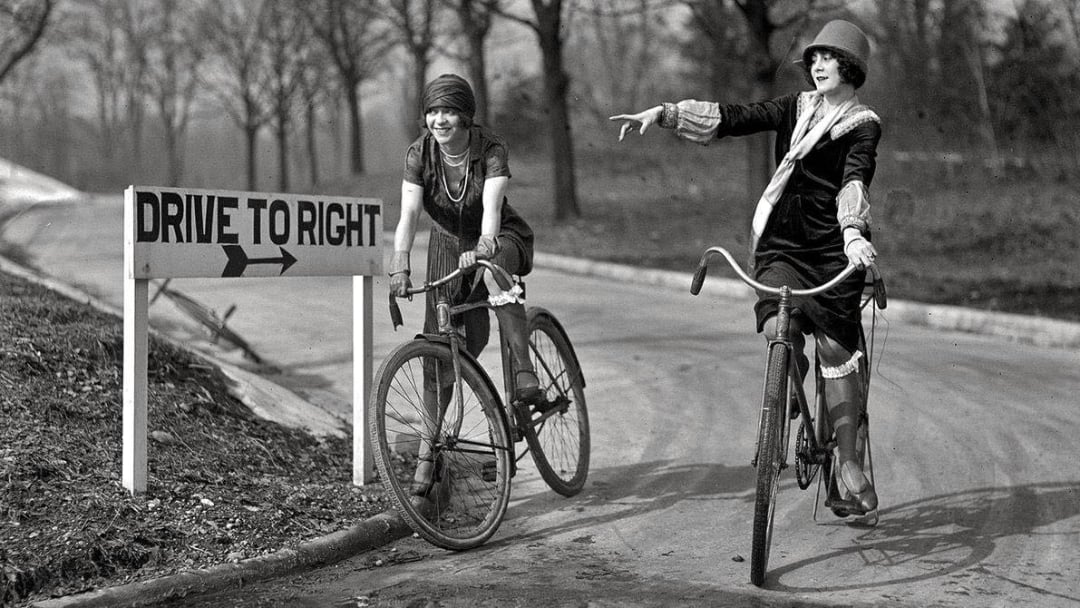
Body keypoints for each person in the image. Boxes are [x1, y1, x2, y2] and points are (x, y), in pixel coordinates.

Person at [610, 20, 881, 513]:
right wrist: (665, 114)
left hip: (834, 249)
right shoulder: (794, 107)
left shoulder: (864, 124)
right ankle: (787, 372)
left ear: (851, 67)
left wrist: (853, 234)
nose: (817, 65)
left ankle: (847, 460)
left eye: (829, 58)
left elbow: (855, 177)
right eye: (814, 58)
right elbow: (735, 116)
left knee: (837, 348)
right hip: (781, 244)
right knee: (781, 321)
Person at [388, 73, 542, 495]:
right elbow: (409, 215)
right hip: (445, 243)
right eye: (433, 111)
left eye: (450, 112)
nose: (440, 120)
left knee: (493, 272)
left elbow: (492, 207)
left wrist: (486, 245)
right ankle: (428, 451)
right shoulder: (419, 155)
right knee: (440, 350)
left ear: (467, 117)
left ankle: (525, 370)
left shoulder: (489, 149)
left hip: (500, 237)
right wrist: (399, 263)